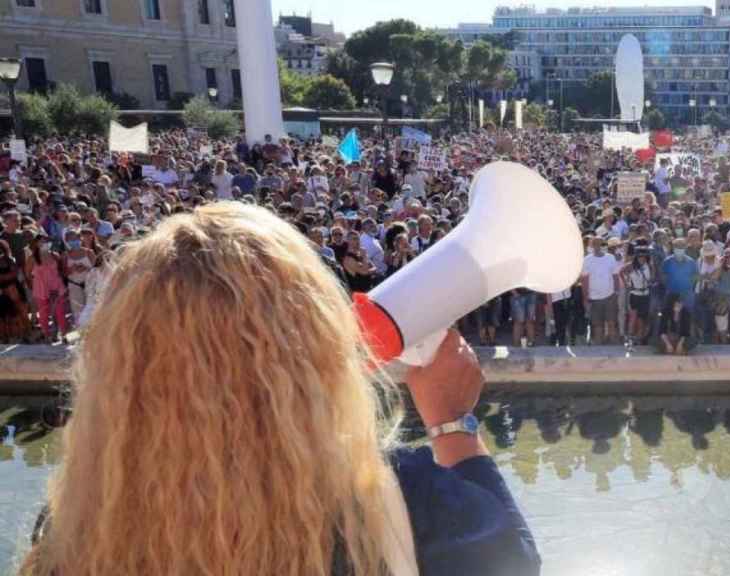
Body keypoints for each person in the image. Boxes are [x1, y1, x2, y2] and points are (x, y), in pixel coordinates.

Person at [19, 202, 540, 576]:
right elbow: (511, 563)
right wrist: (452, 423)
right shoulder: (400, 503)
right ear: (312, 348)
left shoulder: (70, 528)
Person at [25, 235, 68, 344]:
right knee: (44, 313)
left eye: (46, 241)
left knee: (60, 312)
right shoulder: (32, 258)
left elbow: (61, 271)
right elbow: (28, 274)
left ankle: (64, 335)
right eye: (41, 241)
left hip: (56, 286)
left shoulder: (54, 255)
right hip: (40, 288)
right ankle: (47, 335)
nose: (44, 243)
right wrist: (33, 286)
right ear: (36, 244)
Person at [581, 237, 621, 345]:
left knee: (612, 322)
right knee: (598, 325)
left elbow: (616, 276)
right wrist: (585, 298)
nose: (597, 246)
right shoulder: (586, 260)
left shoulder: (610, 258)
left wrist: (616, 292)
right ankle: (599, 350)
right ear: (592, 246)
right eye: (595, 244)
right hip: (594, 298)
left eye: (600, 244)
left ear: (603, 245)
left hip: (610, 296)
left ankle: (614, 350)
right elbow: (584, 280)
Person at [662, 238, 698, 351]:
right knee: (670, 318)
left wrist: (688, 289)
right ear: (673, 248)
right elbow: (663, 276)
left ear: (685, 248)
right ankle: (671, 343)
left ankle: (686, 343)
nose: (679, 250)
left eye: (682, 247)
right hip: (671, 293)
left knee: (687, 318)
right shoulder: (667, 261)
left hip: (686, 295)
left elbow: (695, 277)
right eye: (677, 247)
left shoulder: (691, 262)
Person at [62, 228, 95, 326]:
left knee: (92, 308)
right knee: (77, 310)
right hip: (74, 285)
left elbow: (96, 270)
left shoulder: (89, 252)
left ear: (80, 239)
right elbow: (63, 273)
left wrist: (85, 268)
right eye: (70, 239)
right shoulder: (65, 255)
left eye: (75, 238)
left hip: (90, 284)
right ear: (67, 241)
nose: (73, 241)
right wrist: (71, 269)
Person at [625, 246, 652, 344]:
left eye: (644, 256)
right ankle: (629, 338)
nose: (642, 258)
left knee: (642, 318)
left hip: (645, 294)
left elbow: (651, 278)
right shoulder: (631, 266)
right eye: (640, 256)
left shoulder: (649, 265)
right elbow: (620, 272)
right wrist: (627, 284)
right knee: (633, 317)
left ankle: (640, 338)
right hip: (635, 294)